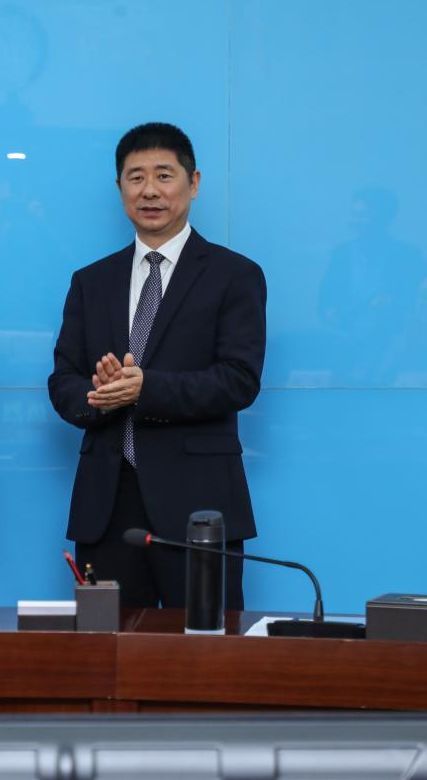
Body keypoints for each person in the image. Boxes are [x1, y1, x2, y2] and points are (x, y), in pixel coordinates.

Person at [47, 122, 266, 609]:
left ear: (194, 182)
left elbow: (239, 379)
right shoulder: (90, 282)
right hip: (107, 508)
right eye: (136, 177)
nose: (150, 190)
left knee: (206, 647)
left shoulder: (235, 275)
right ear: (120, 187)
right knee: (107, 647)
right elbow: (63, 383)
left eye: (164, 175)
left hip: (199, 505)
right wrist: (100, 394)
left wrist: (145, 389)